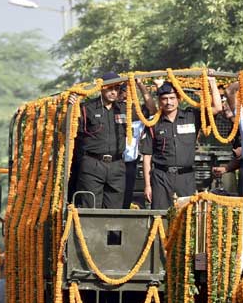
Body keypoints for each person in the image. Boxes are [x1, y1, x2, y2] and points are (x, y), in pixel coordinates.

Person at [140, 73, 222, 209]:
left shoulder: (192, 116)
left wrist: (212, 82)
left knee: (187, 215)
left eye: (172, 98)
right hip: (161, 176)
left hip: (186, 176)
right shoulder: (154, 123)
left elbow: (217, 108)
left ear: (179, 99)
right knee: (159, 216)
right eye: (165, 99)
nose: (169, 102)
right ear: (160, 101)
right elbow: (147, 155)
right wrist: (147, 185)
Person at [71, 71, 127, 208]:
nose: (114, 92)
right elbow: (69, 130)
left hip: (117, 165)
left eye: (117, 88)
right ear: (102, 88)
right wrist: (70, 107)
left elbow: (151, 111)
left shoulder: (124, 109)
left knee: (114, 211)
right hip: (92, 164)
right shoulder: (86, 108)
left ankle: (112, 231)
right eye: (110, 88)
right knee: (90, 207)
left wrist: (142, 88)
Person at [119, 80, 156, 208]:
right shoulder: (114, 107)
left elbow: (152, 109)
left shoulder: (139, 111)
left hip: (130, 162)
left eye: (132, 91)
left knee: (126, 197)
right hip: (114, 161)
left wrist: (141, 85)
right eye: (125, 91)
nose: (128, 94)